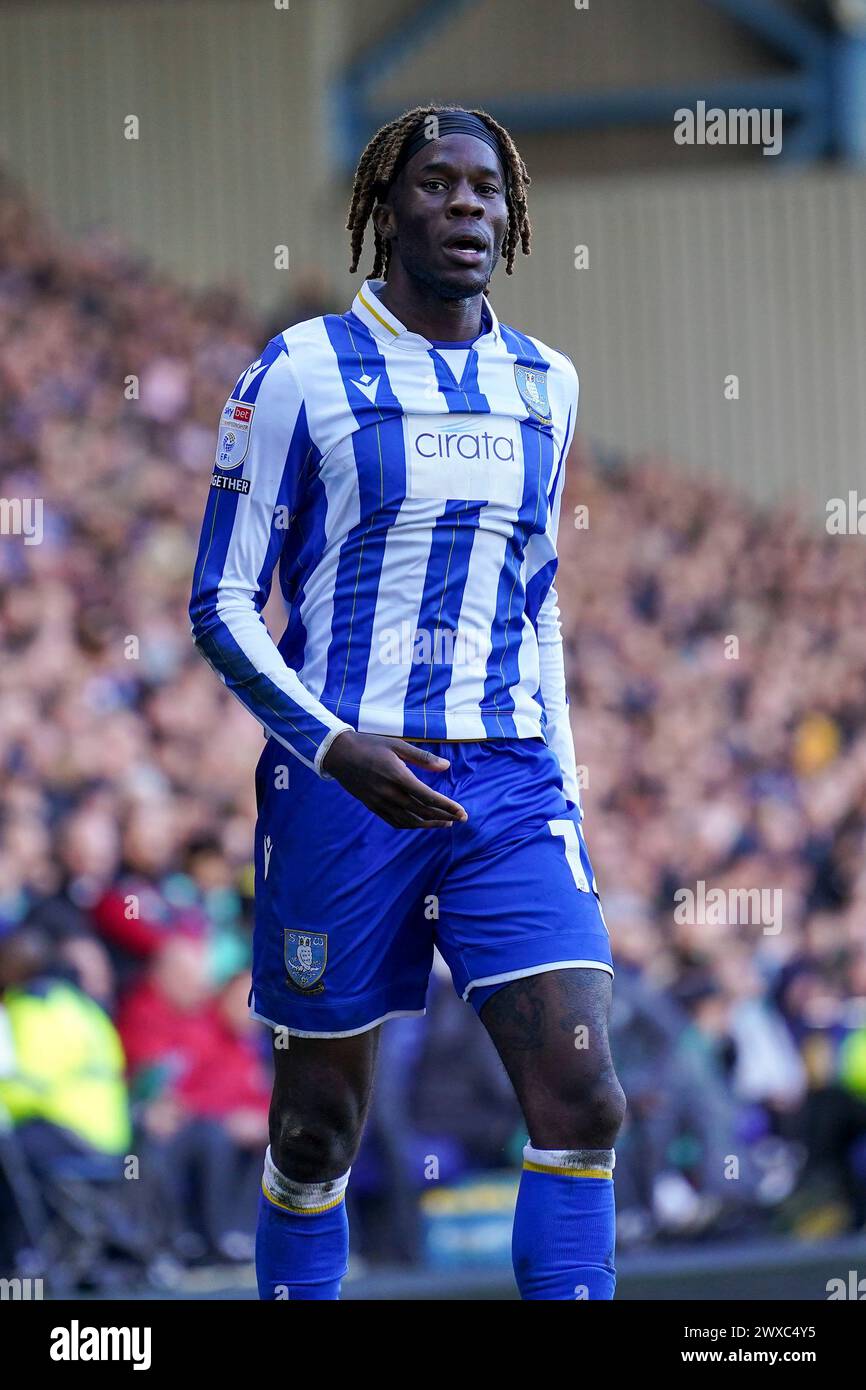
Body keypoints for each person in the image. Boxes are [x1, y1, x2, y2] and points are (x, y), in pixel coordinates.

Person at [188, 103, 625, 1301]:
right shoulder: (299, 371)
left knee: (584, 1094)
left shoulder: (546, 385)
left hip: (509, 782)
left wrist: (566, 791)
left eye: (486, 188)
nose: (468, 207)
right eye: (436, 186)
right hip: (343, 785)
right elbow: (220, 602)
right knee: (316, 1128)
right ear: (384, 211)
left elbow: (534, 602)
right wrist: (332, 748)